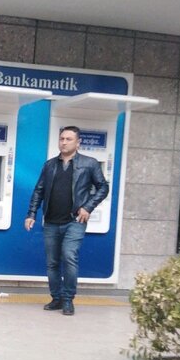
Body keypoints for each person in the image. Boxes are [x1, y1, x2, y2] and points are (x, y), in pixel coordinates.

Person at [24, 126, 109, 316]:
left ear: (78, 143)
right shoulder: (49, 165)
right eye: (61, 138)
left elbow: (103, 187)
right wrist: (31, 214)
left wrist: (88, 207)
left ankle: (68, 299)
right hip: (51, 221)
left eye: (68, 139)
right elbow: (39, 190)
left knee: (69, 257)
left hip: (74, 221)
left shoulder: (89, 163)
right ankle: (57, 298)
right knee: (52, 262)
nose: (64, 142)